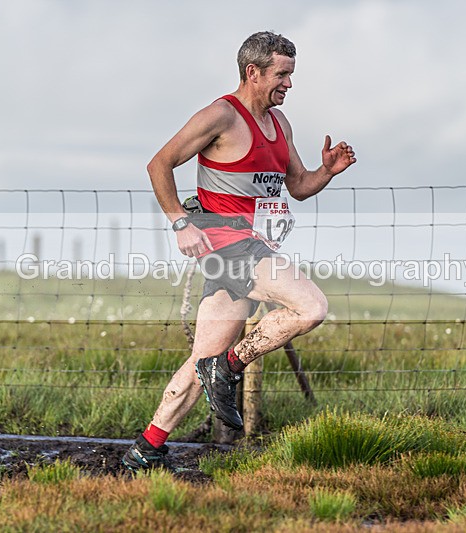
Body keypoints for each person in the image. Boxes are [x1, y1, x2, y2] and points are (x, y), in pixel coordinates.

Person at [122, 31, 356, 471]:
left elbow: (299, 187)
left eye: (290, 75)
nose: (288, 84)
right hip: (229, 245)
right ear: (253, 72)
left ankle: (145, 449)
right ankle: (229, 367)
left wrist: (327, 171)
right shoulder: (220, 116)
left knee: (198, 361)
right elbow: (159, 164)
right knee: (311, 307)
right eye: (281, 75)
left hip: (253, 246)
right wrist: (180, 222)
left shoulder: (280, 125)